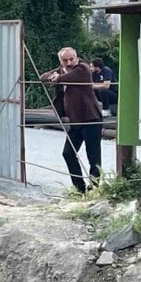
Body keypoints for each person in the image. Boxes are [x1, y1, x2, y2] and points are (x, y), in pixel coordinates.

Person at [41, 47, 104, 193]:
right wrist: (53, 76)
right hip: (75, 121)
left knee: (93, 156)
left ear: (77, 57)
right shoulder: (62, 70)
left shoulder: (82, 68)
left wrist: (56, 77)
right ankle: (79, 188)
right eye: (65, 60)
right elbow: (43, 76)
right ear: (60, 61)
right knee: (68, 153)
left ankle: (95, 188)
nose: (69, 62)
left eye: (72, 59)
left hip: (91, 119)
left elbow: (64, 78)